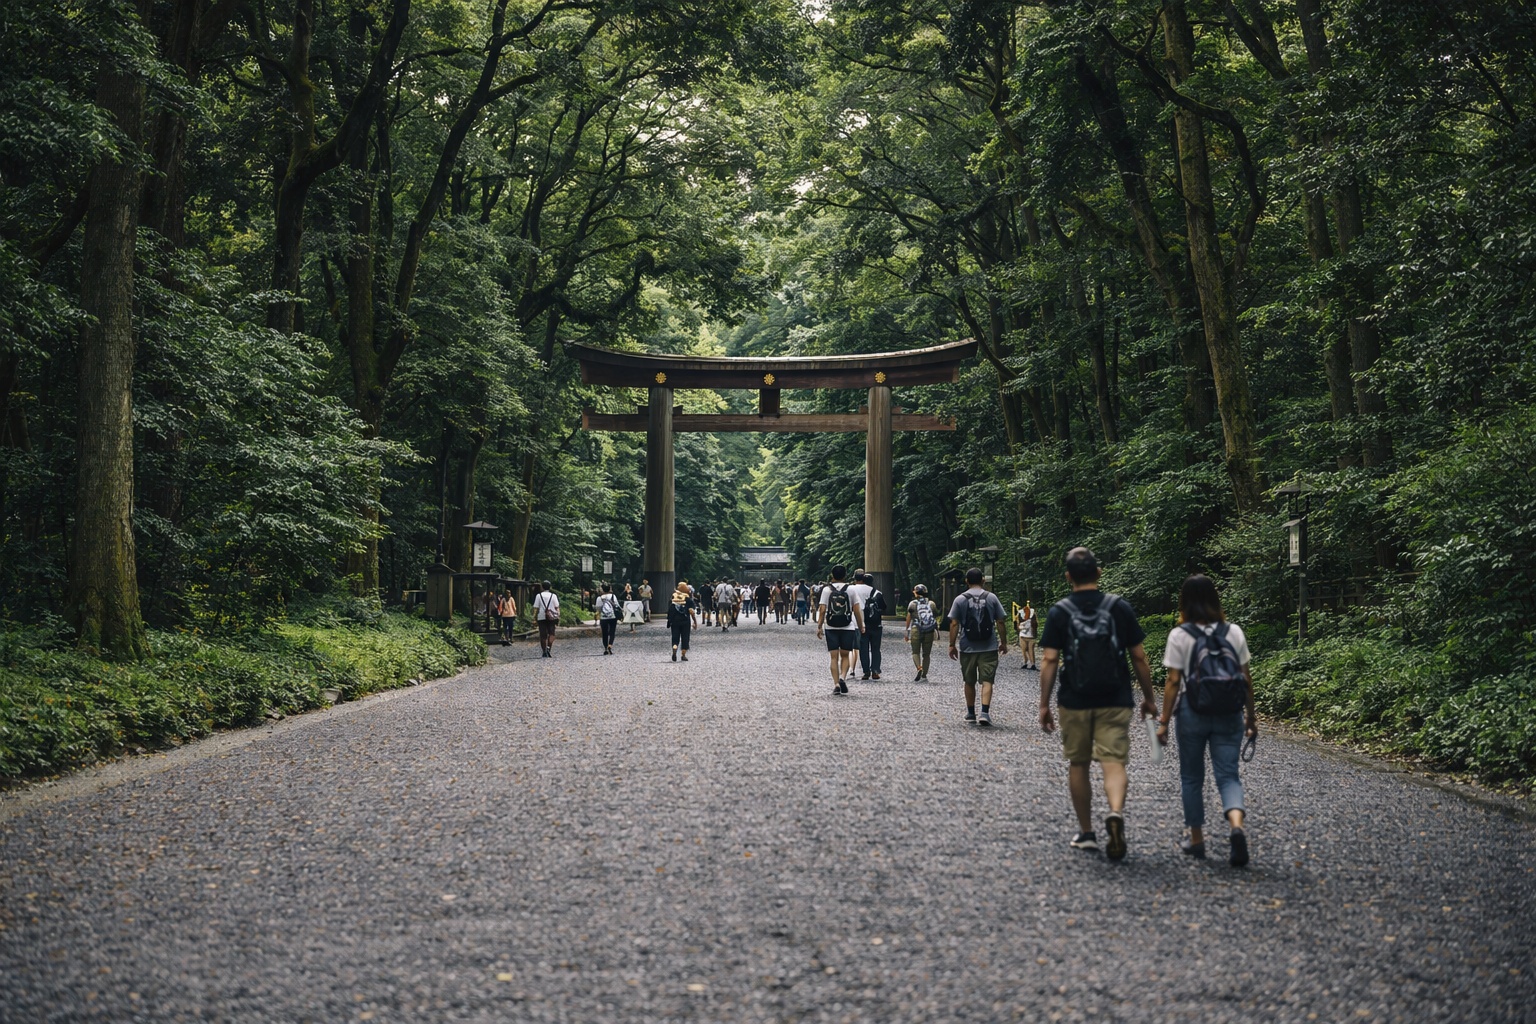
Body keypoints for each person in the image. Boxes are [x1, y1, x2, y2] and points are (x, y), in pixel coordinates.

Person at [1037, 547, 1157, 860]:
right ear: (1099, 573)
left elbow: (1050, 659)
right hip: (1115, 697)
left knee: (1078, 763)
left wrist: (1044, 704)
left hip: (1074, 699)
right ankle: (1115, 812)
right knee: (1113, 760)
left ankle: (1087, 832)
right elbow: (1138, 656)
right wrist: (1148, 697)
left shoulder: (1060, 611)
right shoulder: (1119, 607)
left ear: (1068, 577)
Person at [1158, 573, 1258, 867]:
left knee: (1191, 777)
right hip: (1229, 713)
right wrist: (1251, 717)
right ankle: (1236, 827)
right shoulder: (1234, 632)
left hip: (1192, 712)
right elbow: (1246, 679)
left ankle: (1198, 840)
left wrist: (1163, 721)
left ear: (1184, 602)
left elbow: (1173, 682)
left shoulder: (1180, 635)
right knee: (1228, 775)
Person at [946, 568, 1008, 725]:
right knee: (987, 680)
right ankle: (985, 713)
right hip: (989, 646)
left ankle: (971, 713)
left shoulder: (960, 599)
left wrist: (952, 645)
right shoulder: (992, 597)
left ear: (966, 581)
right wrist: (1003, 642)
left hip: (968, 646)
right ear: (983, 580)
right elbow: (1000, 621)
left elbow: (954, 623)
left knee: (969, 680)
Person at [816, 564, 865, 695]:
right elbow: (856, 610)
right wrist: (861, 626)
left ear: (832, 575)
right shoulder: (851, 590)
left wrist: (819, 626)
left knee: (833, 657)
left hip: (831, 626)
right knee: (845, 655)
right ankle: (843, 677)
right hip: (847, 626)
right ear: (845, 575)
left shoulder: (827, 590)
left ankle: (836, 684)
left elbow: (822, 610)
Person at [854, 572, 887, 679]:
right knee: (876, 649)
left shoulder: (855, 590)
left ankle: (866, 671)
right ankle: (875, 671)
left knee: (863, 648)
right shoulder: (877, 593)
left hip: (863, 623)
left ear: (862, 580)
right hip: (876, 625)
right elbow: (883, 607)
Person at [905, 584, 939, 680]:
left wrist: (907, 631)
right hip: (929, 630)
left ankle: (919, 668)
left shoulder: (913, 604)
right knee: (926, 654)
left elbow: (909, 618)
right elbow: (935, 616)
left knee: (915, 651)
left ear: (916, 592)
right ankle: (924, 674)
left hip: (916, 628)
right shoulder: (931, 604)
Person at [668, 584, 697, 661]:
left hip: (674, 621)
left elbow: (669, 609)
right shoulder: (688, 599)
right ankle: (683, 655)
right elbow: (692, 612)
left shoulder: (673, 597)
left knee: (675, 637)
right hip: (685, 621)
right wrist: (695, 622)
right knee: (685, 637)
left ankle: (674, 648)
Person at [532, 581, 560, 658]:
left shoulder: (538, 596)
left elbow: (536, 608)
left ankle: (544, 651)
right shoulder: (553, 596)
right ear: (550, 587)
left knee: (543, 635)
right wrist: (558, 616)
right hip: (552, 617)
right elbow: (557, 607)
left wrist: (534, 618)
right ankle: (549, 648)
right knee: (552, 634)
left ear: (542, 587)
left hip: (541, 617)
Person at [595, 583, 619, 655]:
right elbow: (617, 605)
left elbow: (598, 608)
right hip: (612, 616)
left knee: (604, 633)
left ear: (602, 589)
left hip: (603, 617)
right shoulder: (613, 596)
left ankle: (605, 648)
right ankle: (610, 645)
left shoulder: (599, 598)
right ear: (609, 589)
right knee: (612, 632)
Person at [1017, 600, 1039, 670]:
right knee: (1024, 649)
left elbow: (1036, 624)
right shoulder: (1020, 614)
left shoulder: (1032, 615)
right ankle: (1026, 662)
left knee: (1030, 649)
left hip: (1031, 635)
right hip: (1023, 635)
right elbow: (1018, 625)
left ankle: (1032, 664)